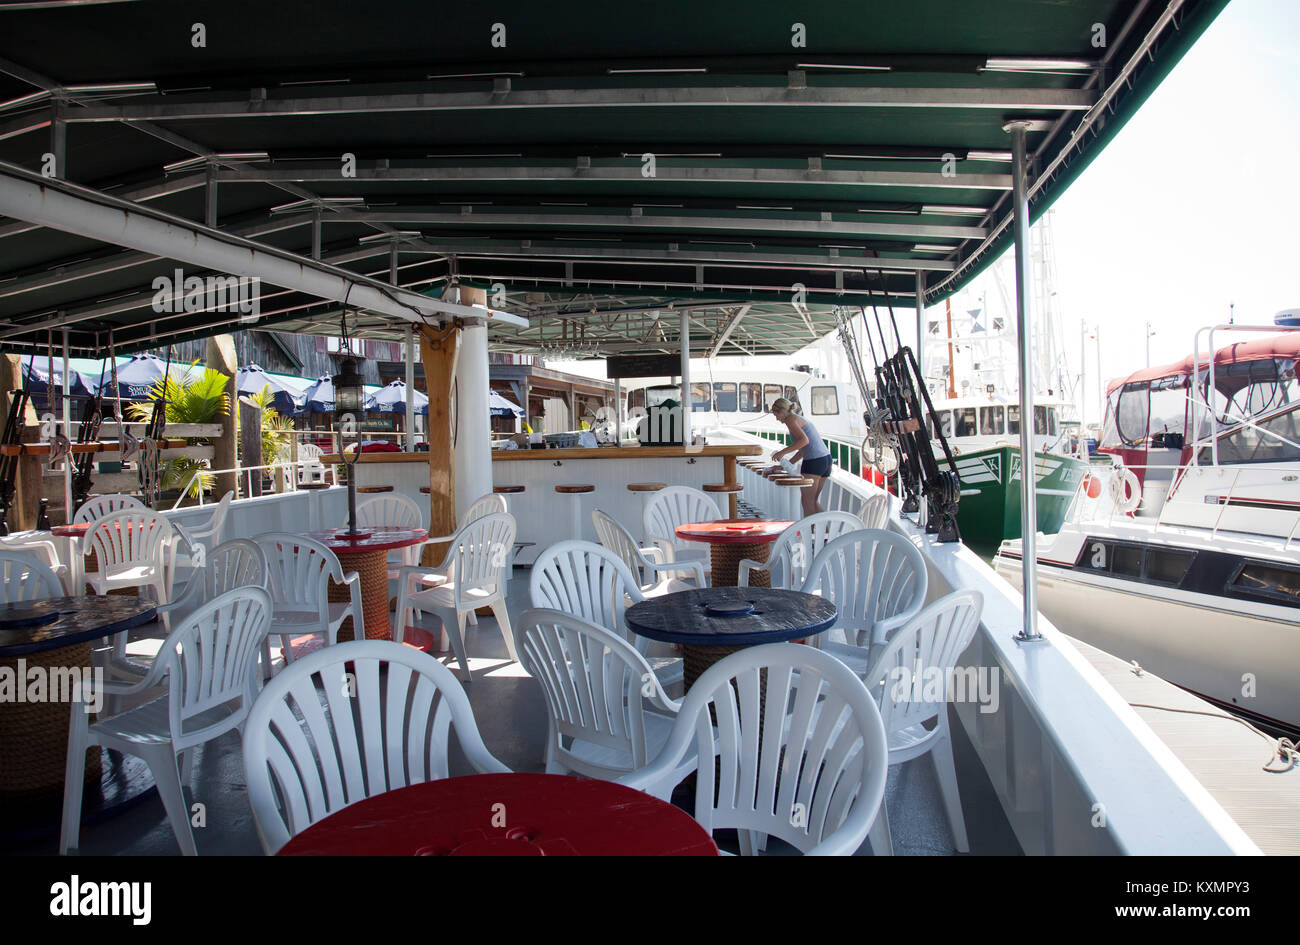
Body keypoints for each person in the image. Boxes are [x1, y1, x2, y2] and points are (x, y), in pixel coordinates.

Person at [769, 397, 831, 516]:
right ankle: (826, 531)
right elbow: (803, 449)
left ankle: (811, 533)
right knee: (812, 502)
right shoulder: (798, 418)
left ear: (782, 411)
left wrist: (782, 452)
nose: (777, 419)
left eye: (776, 415)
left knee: (807, 502)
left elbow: (804, 441)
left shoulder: (790, 420)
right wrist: (787, 464)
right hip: (825, 460)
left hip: (814, 462)